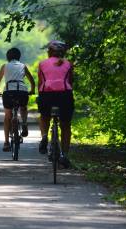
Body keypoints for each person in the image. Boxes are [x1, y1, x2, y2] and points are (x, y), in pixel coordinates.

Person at [37, 40, 74, 168]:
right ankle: (64, 154)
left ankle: (44, 136)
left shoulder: (42, 64)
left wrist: (40, 96)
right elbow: (71, 82)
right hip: (64, 96)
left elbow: (40, 82)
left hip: (46, 95)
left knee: (44, 116)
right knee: (65, 125)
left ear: (50, 52)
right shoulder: (68, 64)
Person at [0, 47, 35, 152]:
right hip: (22, 91)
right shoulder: (23, 66)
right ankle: (24, 123)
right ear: (19, 56)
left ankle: (6, 143)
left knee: (7, 116)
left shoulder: (5, 66)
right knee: (23, 107)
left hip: (8, 92)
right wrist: (32, 90)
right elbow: (32, 81)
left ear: (8, 57)